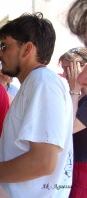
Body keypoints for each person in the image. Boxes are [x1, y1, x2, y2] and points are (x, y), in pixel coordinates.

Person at [0, 13, 73, 198]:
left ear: (27, 49)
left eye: (5, 46)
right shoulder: (34, 83)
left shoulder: (43, 83)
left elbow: (42, 162)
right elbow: (13, 150)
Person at [59, 47, 87, 198]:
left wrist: (75, 92)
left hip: (83, 171)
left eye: (68, 69)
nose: (64, 74)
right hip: (72, 166)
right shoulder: (80, 98)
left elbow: (67, 129)